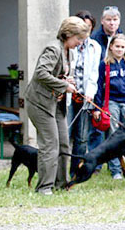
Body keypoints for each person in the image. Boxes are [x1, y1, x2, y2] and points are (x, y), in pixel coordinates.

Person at [25, 17, 89, 195]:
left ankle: (61, 183)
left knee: (63, 143)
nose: (79, 43)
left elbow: (55, 74)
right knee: (50, 144)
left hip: (56, 104)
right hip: (40, 103)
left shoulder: (66, 50)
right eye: (78, 39)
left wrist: (64, 79)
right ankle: (44, 187)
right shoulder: (53, 48)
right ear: (68, 35)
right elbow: (40, 73)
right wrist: (64, 86)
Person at [93, 34, 125, 179]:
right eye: (117, 46)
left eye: (123, 47)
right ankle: (116, 170)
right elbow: (99, 87)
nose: (120, 49)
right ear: (111, 47)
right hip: (111, 103)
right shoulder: (105, 64)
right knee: (113, 138)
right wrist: (98, 107)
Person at [66, 12, 102, 177]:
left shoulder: (95, 46)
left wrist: (90, 93)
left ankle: (75, 171)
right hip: (68, 95)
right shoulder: (68, 44)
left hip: (85, 97)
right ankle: (60, 171)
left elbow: (94, 73)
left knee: (82, 138)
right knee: (65, 133)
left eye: (88, 27)